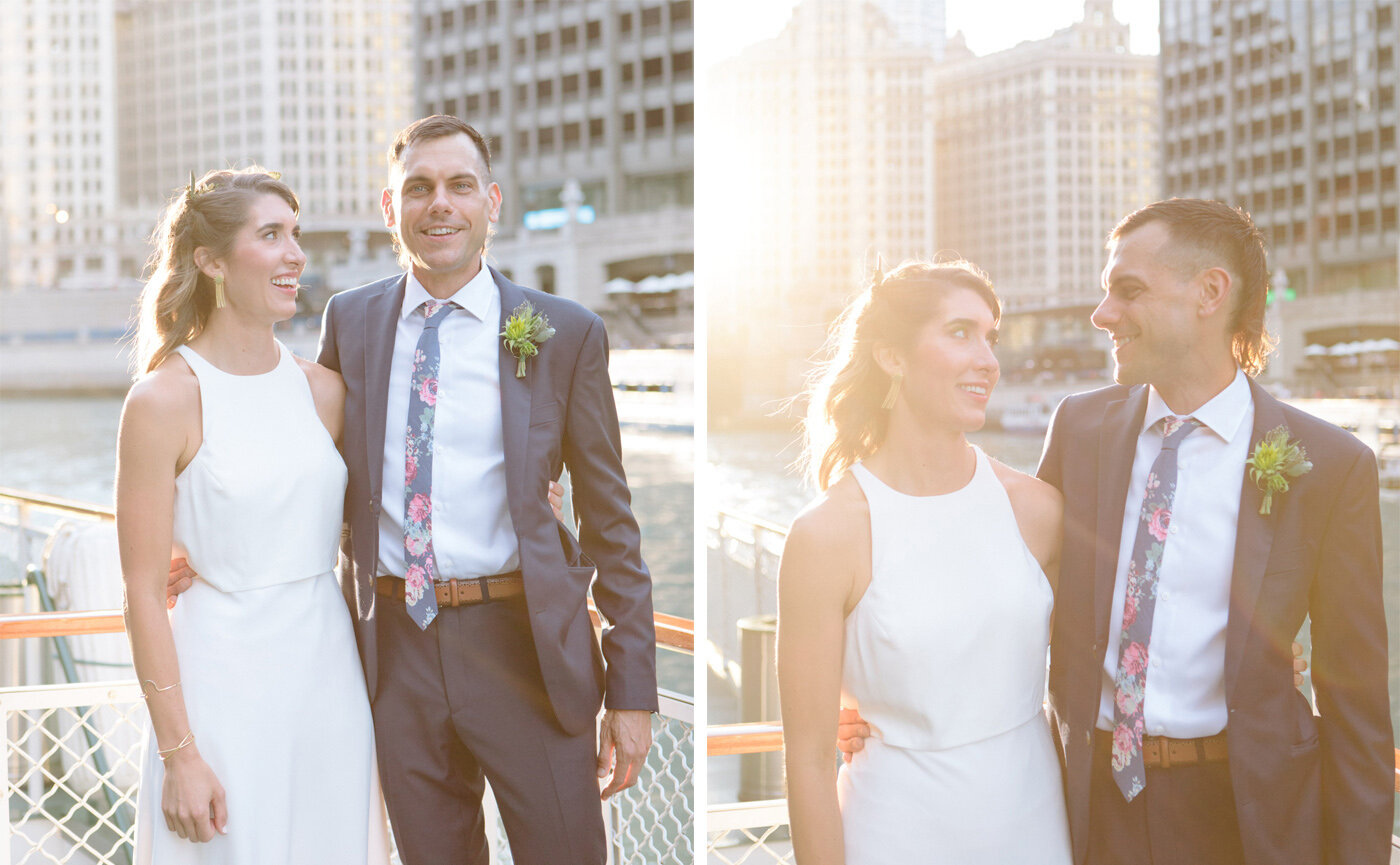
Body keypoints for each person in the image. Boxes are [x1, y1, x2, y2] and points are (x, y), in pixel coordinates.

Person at [842, 199, 1393, 864]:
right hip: (1084, 802)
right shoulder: (1080, 429)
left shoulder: (1330, 465)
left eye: (1127, 290)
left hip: (1249, 815)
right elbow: (999, 584)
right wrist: (872, 691)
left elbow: (1357, 702)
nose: (1103, 314)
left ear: (1209, 293)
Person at [315, 115, 658, 865]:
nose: (440, 204)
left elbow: (611, 524)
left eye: (459, 186)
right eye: (419, 187)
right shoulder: (351, 321)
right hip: (395, 653)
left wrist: (633, 690)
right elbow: (315, 474)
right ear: (389, 206)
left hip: (527, 647)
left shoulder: (562, 332)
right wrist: (197, 545)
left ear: (491, 202)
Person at [117, 168, 391, 863]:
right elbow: (143, 593)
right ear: (210, 261)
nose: (295, 253)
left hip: (330, 680)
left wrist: (534, 498)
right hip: (221, 688)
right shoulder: (162, 400)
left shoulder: (324, 391)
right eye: (270, 235)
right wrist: (181, 753)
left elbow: (396, 505)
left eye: (294, 234)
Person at [778, 260, 1072, 864]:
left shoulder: (1038, 510)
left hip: (1033, 821)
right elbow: (807, 761)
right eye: (960, 332)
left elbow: (1109, 660)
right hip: (891, 832)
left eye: (991, 337)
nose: (988, 359)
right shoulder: (826, 535)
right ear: (892, 356)